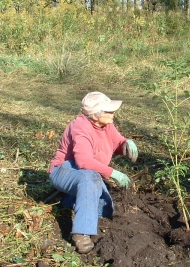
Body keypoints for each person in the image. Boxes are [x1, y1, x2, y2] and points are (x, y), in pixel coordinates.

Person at [48, 91, 138, 253]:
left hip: (84, 172)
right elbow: (84, 162)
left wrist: (126, 144)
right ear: (96, 114)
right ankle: (81, 233)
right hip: (64, 171)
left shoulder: (105, 124)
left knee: (104, 209)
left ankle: (70, 200)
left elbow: (116, 142)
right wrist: (113, 173)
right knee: (90, 179)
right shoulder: (81, 128)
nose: (113, 113)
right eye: (109, 111)